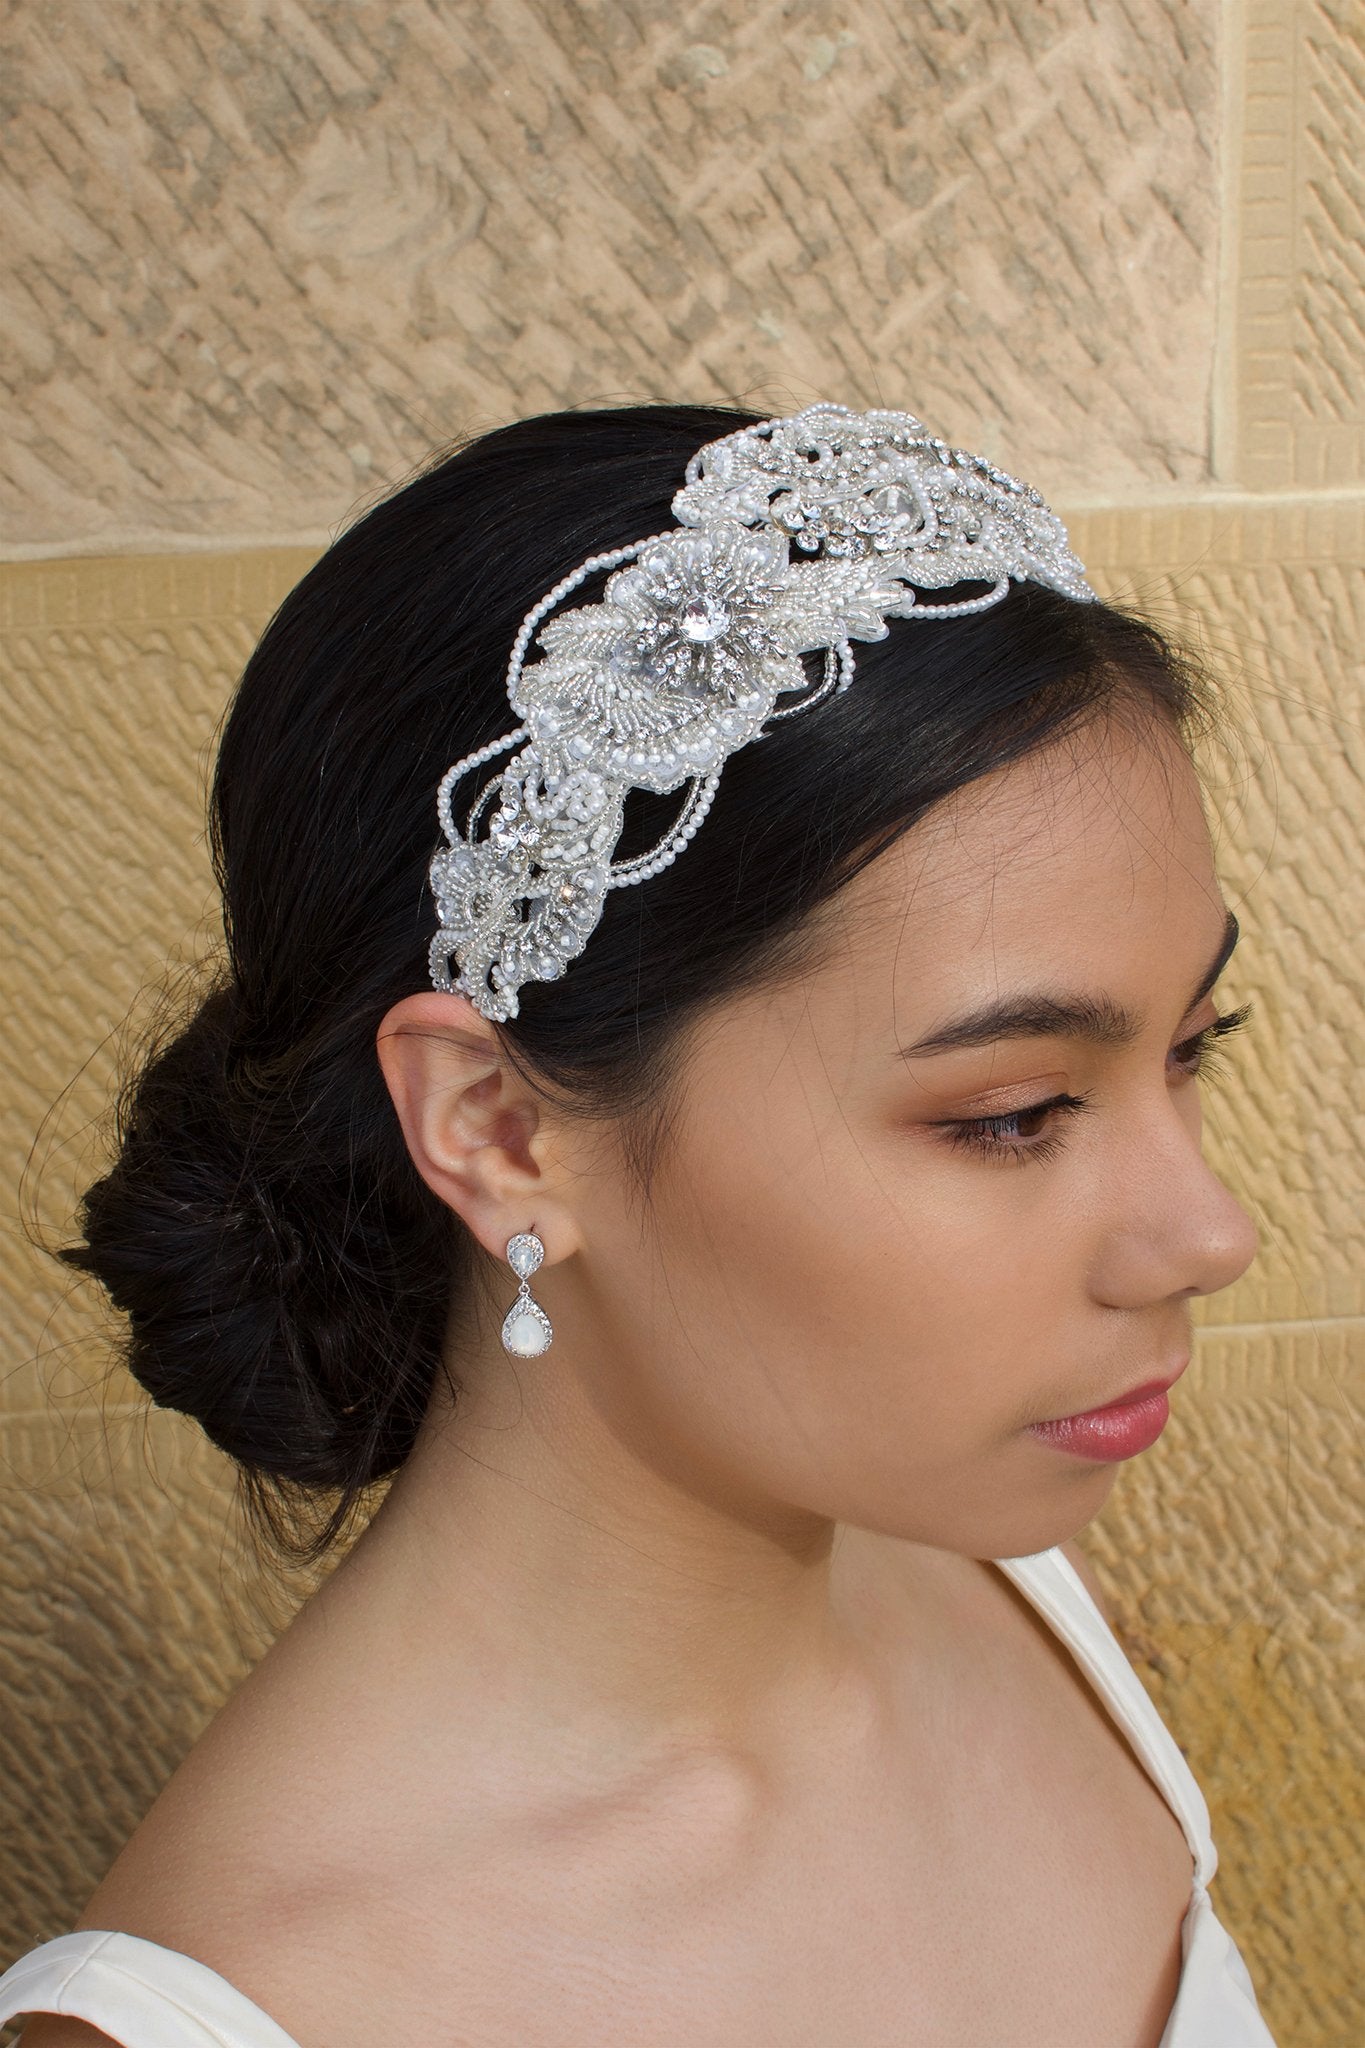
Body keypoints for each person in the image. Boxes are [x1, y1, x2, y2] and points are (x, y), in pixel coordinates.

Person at [0, 404, 1279, 2047]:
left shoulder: (1015, 1594)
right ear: (499, 1129)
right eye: (1008, 1116)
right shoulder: (259, 2005)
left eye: (1189, 1052)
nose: (1206, 1233)